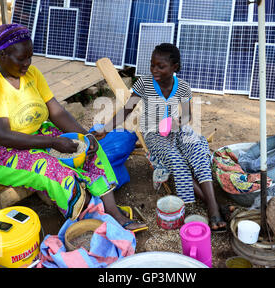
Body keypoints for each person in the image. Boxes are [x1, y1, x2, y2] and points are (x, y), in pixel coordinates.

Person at [0, 23, 147, 232]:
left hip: (36, 135)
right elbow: (2, 136)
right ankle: (90, 221)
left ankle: (112, 211)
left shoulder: (32, 74)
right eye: (21, 59)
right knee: (54, 170)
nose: (27, 64)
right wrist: (52, 141)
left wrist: (87, 136)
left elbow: (57, 112)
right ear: (2, 54)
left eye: (30, 57)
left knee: (88, 148)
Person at [95, 43, 227, 232]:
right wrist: (107, 129)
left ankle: (213, 206)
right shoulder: (145, 84)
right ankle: (200, 208)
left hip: (176, 128)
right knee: (176, 158)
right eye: (152, 64)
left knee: (197, 147)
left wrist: (176, 123)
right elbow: (127, 109)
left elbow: (188, 115)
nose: (154, 70)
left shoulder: (182, 87)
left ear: (175, 67)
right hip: (152, 133)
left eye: (161, 66)